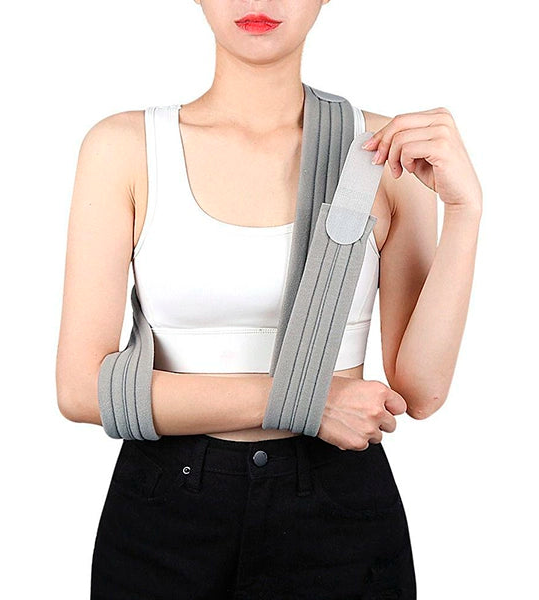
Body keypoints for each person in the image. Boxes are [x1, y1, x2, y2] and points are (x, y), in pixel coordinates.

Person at [56, 1, 482, 598]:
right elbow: (81, 390)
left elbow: (420, 390)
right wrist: (307, 403)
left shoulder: (383, 153)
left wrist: (464, 211)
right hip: (165, 516)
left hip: (337, 515)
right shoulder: (124, 148)